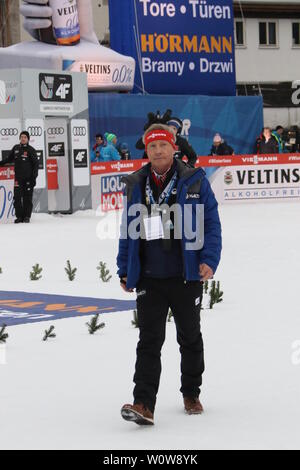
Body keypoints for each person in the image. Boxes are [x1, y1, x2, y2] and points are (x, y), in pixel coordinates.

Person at [117, 124, 222, 426]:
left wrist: (209, 260)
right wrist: (125, 268)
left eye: (163, 145)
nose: (158, 151)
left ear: (174, 147)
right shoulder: (137, 183)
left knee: (189, 338)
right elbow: (128, 230)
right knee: (149, 340)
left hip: (186, 276)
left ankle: (191, 392)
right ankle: (143, 403)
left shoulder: (194, 181)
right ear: (146, 151)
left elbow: (212, 226)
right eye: (152, 147)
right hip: (149, 277)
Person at [0, 131, 39, 223]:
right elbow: (8, 159)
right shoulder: (16, 148)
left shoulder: (31, 150)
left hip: (28, 178)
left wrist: (34, 177)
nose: (23, 138)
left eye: (25, 137)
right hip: (18, 178)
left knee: (27, 198)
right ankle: (19, 216)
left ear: (28, 139)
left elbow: (36, 165)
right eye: (21, 137)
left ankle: (26, 217)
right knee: (17, 198)